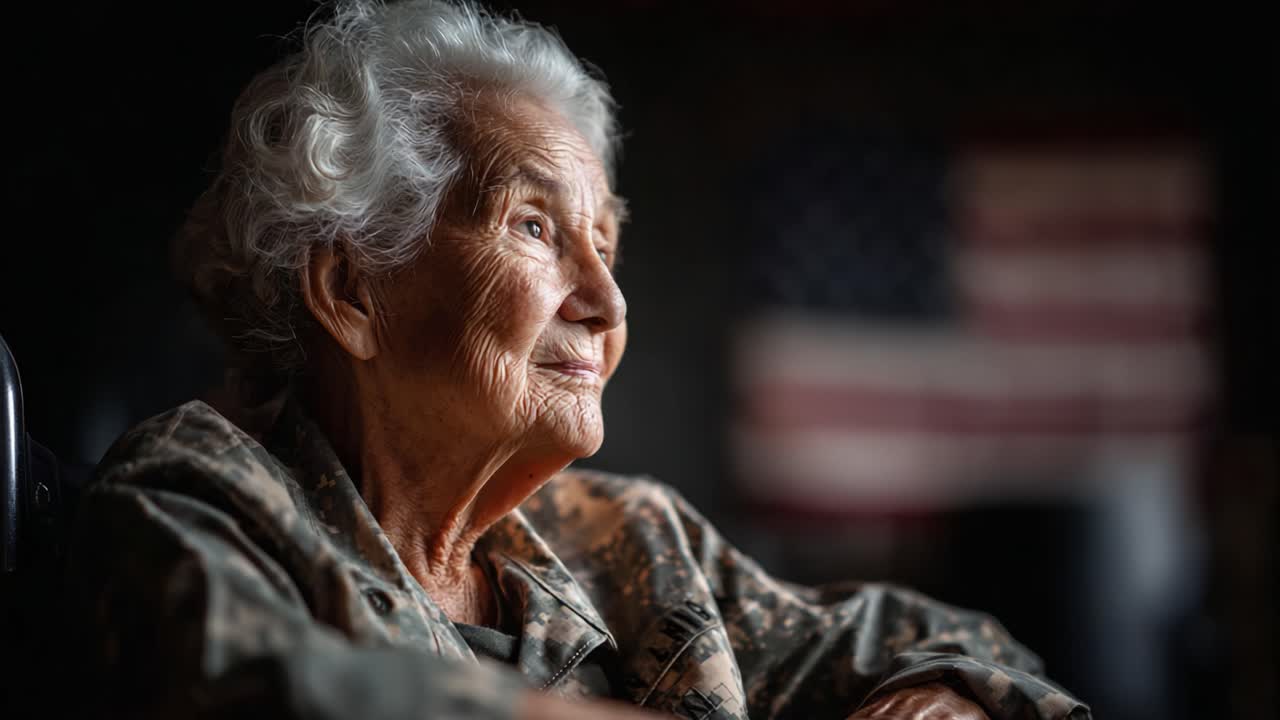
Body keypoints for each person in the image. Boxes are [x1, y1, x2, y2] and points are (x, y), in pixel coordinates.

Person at [67, 2, 1091, 718]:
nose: (607, 304)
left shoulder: (631, 543)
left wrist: (943, 695)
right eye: (533, 227)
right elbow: (243, 684)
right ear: (352, 290)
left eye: (603, 245)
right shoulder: (201, 490)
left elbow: (977, 647)